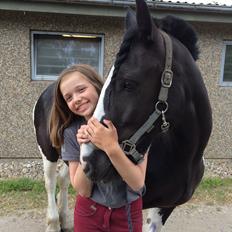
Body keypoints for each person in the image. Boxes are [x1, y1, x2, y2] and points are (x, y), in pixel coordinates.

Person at [49, 64, 148, 232]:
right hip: (88, 212)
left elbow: (137, 183)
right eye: (69, 98)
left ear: (97, 86)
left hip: (127, 213)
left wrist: (111, 146)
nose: (76, 99)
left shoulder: (132, 124)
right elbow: (84, 190)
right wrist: (86, 148)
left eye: (81, 89)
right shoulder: (71, 132)